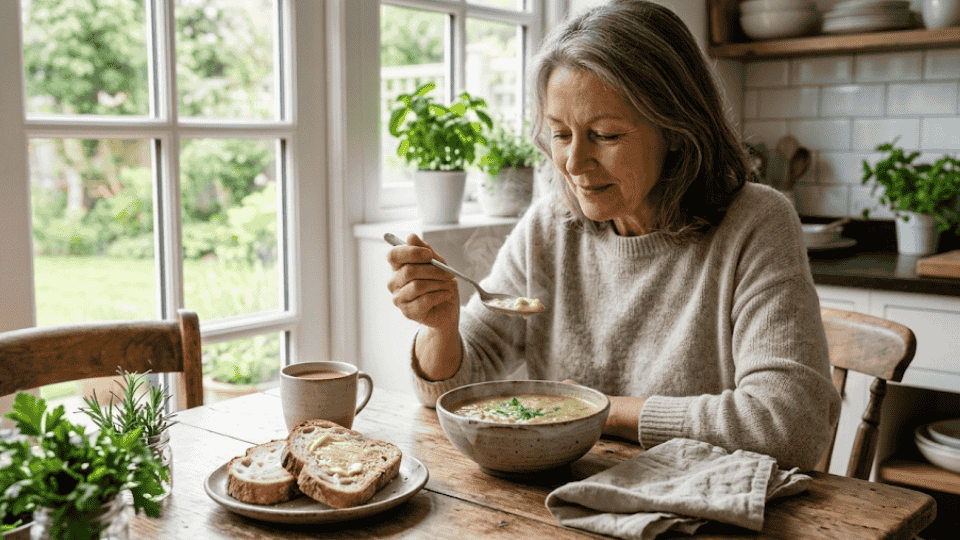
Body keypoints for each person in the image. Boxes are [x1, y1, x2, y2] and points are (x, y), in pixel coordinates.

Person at [386, 0, 840, 471]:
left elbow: (790, 425)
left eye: (604, 135)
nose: (575, 165)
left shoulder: (756, 223)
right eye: (561, 135)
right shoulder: (549, 228)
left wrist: (589, 411)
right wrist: (440, 326)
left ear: (677, 130)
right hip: (562, 503)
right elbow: (453, 391)